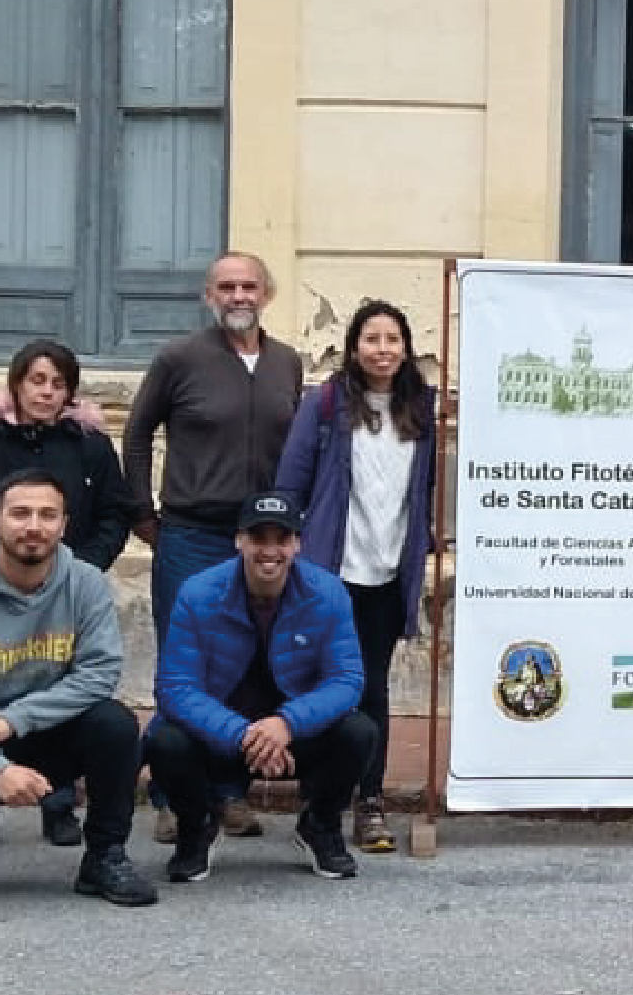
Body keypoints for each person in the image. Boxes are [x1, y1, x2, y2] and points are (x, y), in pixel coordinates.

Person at [0, 471, 153, 905]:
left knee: (115, 725)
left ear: (64, 525)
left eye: (46, 515)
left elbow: (99, 674)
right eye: (20, 513)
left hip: (40, 728)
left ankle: (105, 857)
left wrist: (10, 721)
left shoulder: (86, 584)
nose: (33, 526)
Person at [123, 250, 304, 843]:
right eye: (226, 286)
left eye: (249, 285)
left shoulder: (287, 364)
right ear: (210, 295)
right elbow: (136, 433)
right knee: (187, 665)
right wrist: (142, 513)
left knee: (249, 666)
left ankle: (228, 793)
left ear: (266, 293)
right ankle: (173, 798)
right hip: (190, 535)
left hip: (261, 542)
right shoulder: (179, 359)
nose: (238, 296)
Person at [0, 338, 131, 848]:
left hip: (68, 594)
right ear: (16, 384)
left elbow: (115, 513)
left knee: (61, 686)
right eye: (37, 380)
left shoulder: (91, 446)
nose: (46, 392)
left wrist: (85, 569)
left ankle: (57, 802)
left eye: (58, 384)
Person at [145, 491, 376, 884]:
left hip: (294, 737)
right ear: (239, 541)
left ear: (297, 544)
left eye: (281, 539)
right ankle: (197, 827)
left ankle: (320, 825)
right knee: (164, 739)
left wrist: (286, 724)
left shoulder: (329, 592)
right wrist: (244, 735)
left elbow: (347, 681)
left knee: (360, 731)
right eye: (258, 538)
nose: (269, 551)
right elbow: (175, 687)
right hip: (223, 737)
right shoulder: (197, 593)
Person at [274, 300, 436, 855]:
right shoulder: (325, 404)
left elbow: (428, 487)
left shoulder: (423, 407)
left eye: (393, 339)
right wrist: (287, 550)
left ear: (407, 347)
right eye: (373, 339)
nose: (383, 349)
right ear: (354, 347)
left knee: (372, 688)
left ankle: (370, 802)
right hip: (330, 572)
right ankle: (319, 804)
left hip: (390, 574)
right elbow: (292, 481)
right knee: (325, 687)